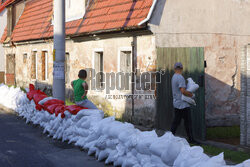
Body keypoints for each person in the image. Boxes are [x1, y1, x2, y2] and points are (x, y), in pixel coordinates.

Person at [170, 62, 197, 144]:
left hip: (176, 102)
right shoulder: (180, 77)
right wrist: (191, 95)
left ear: (174, 69)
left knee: (176, 121)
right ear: (182, 68)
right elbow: (183, 91)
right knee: (187, 122)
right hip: (183, 104)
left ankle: (170, 137)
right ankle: (191, 140)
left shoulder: (174, 77)